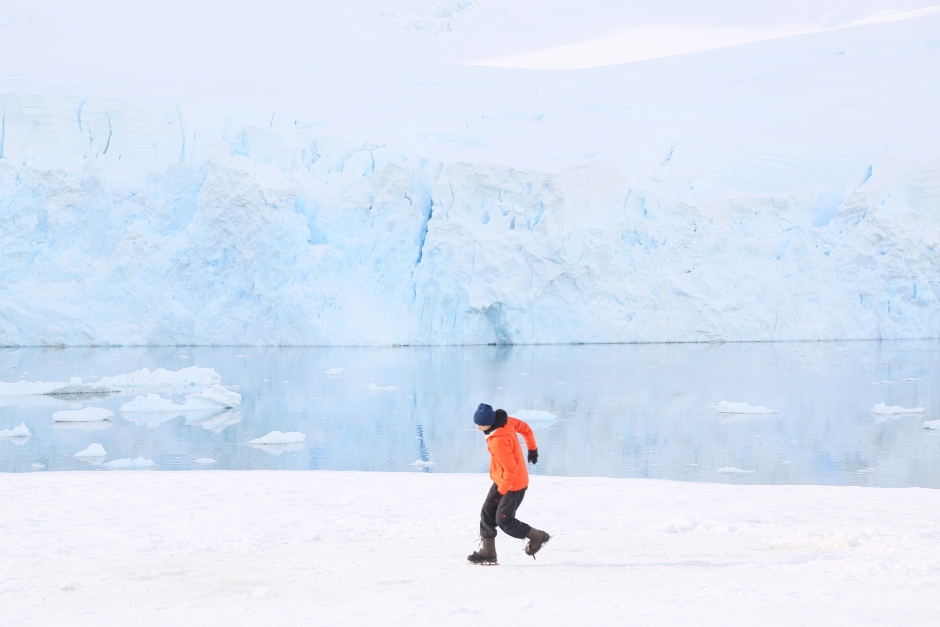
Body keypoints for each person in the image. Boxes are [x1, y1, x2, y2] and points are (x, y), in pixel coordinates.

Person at [467, 403, 550, 565]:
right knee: (487, 513)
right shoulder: (507, 422)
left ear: (490, 423)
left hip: (514, 485)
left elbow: (512, 470)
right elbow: (525, 428)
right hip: (502, 480)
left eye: (481, 424)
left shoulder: (498, 442)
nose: (478, 428)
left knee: (504, 520)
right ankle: (488, 553)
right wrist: (532, 448)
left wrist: (500, 492)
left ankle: (537, 536)